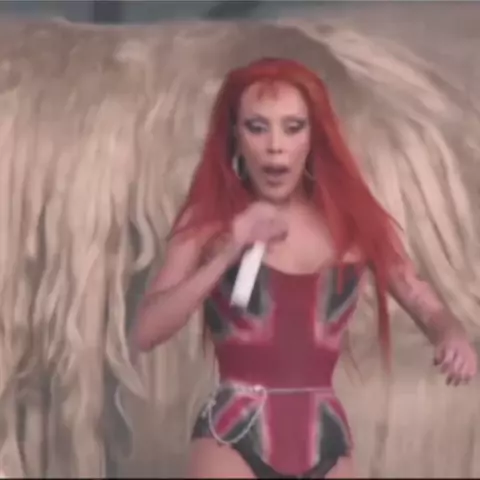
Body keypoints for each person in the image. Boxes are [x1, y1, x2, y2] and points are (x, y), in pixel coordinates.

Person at [132, 57, 478, 479]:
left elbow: (423, 301)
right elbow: (146, 331)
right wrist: (227, 252)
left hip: (325, 441)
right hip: (232, 440)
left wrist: (451, 335)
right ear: (234, 134)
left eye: (293, 127)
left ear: (315, 136)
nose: (275, 146)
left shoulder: (352, 225)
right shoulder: (208, 221)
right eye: (257, 127)